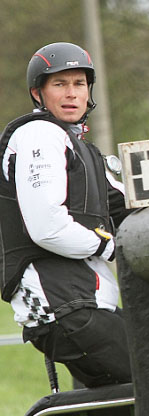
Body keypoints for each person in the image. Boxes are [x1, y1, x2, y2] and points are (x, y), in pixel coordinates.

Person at [0, 42, 132, 387]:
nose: (72, 94)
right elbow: (47, 227)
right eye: (60, 85)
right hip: (65, 309)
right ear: (38, 93)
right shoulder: (39, 135)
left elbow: (125, 204)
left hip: (85, 305)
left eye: (79, 84)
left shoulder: (80, 147)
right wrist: (109, 247)